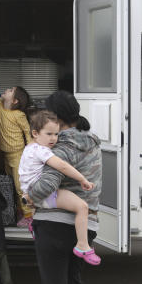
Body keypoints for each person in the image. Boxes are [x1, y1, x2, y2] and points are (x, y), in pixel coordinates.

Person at [26, 91, 103, 284]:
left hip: (55, 225)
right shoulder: (93, 142)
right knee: (73, 283)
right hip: (87, 224)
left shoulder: (59, 148)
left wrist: (28, 197)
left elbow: (47, 184)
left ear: (56, 119)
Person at [18, 109, 100, 265]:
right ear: (35, 133)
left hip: (30, 195)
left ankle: (34, 227)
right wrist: (83, 179)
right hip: (45, 196)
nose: (53, 139)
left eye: (56, 134)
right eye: (48, 134)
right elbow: (62, 166)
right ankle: (83, 245)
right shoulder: (41, 151)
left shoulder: (28, 148)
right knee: (82, 207)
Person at [0, 86, 32, 226]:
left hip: (18, 155)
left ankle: (28, 216)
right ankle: (19, 212)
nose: (6, 89)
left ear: (14, 100)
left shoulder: (18, 115)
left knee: (20, 187)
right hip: (7, 156)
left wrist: (31, 150)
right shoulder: (1, 107)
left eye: (10, 90)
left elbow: (27, 131)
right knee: (11, 186)